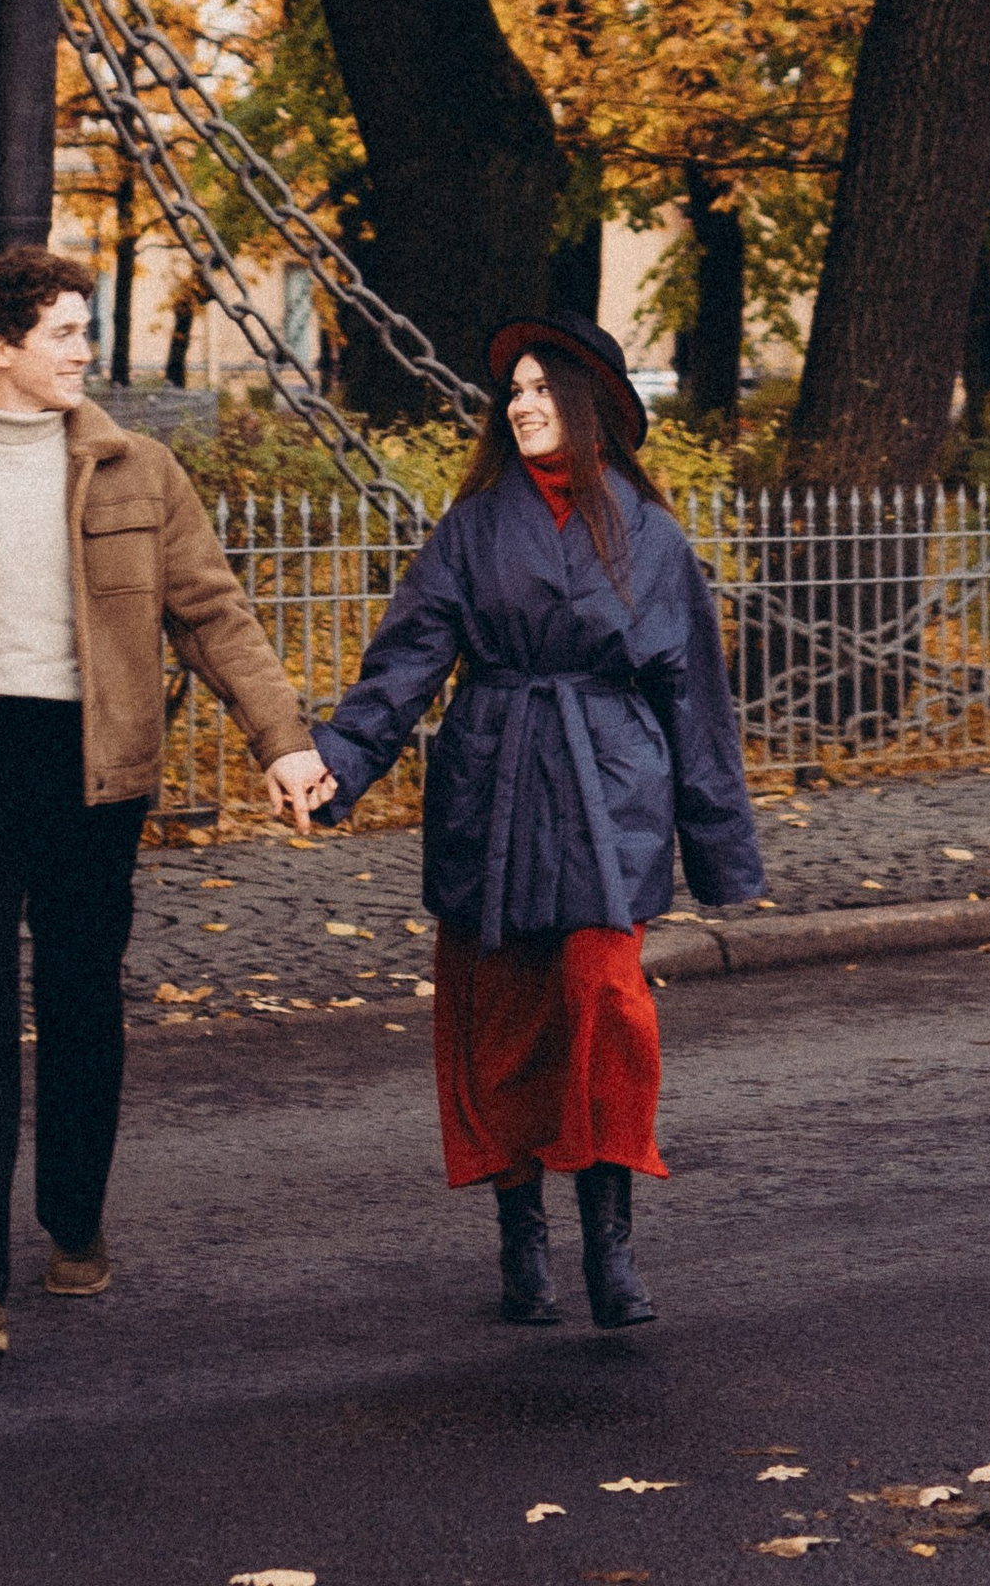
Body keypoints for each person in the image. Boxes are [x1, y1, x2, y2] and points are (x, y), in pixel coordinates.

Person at [0, 246, 333, 1356]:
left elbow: (213, 616)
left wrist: (282, 743)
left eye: (82, 332)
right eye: (62, 333)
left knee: (82, 998)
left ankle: (76, 1220)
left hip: (97, 768)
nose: (82, 353)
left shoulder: (137, 469)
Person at [309, 309, 764, 1330]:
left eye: (539, 389)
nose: (520, 406)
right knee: (505, 1021)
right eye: (509, 392)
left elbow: (694, 699)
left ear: (589, 403)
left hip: (612, 790)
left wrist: (720, 846)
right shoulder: (473, 530)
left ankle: (611, 1243)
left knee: (605, 1002)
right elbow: (406, 664)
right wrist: (337, 766)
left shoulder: (651, 537)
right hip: (495, 780)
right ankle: (523, 1242)